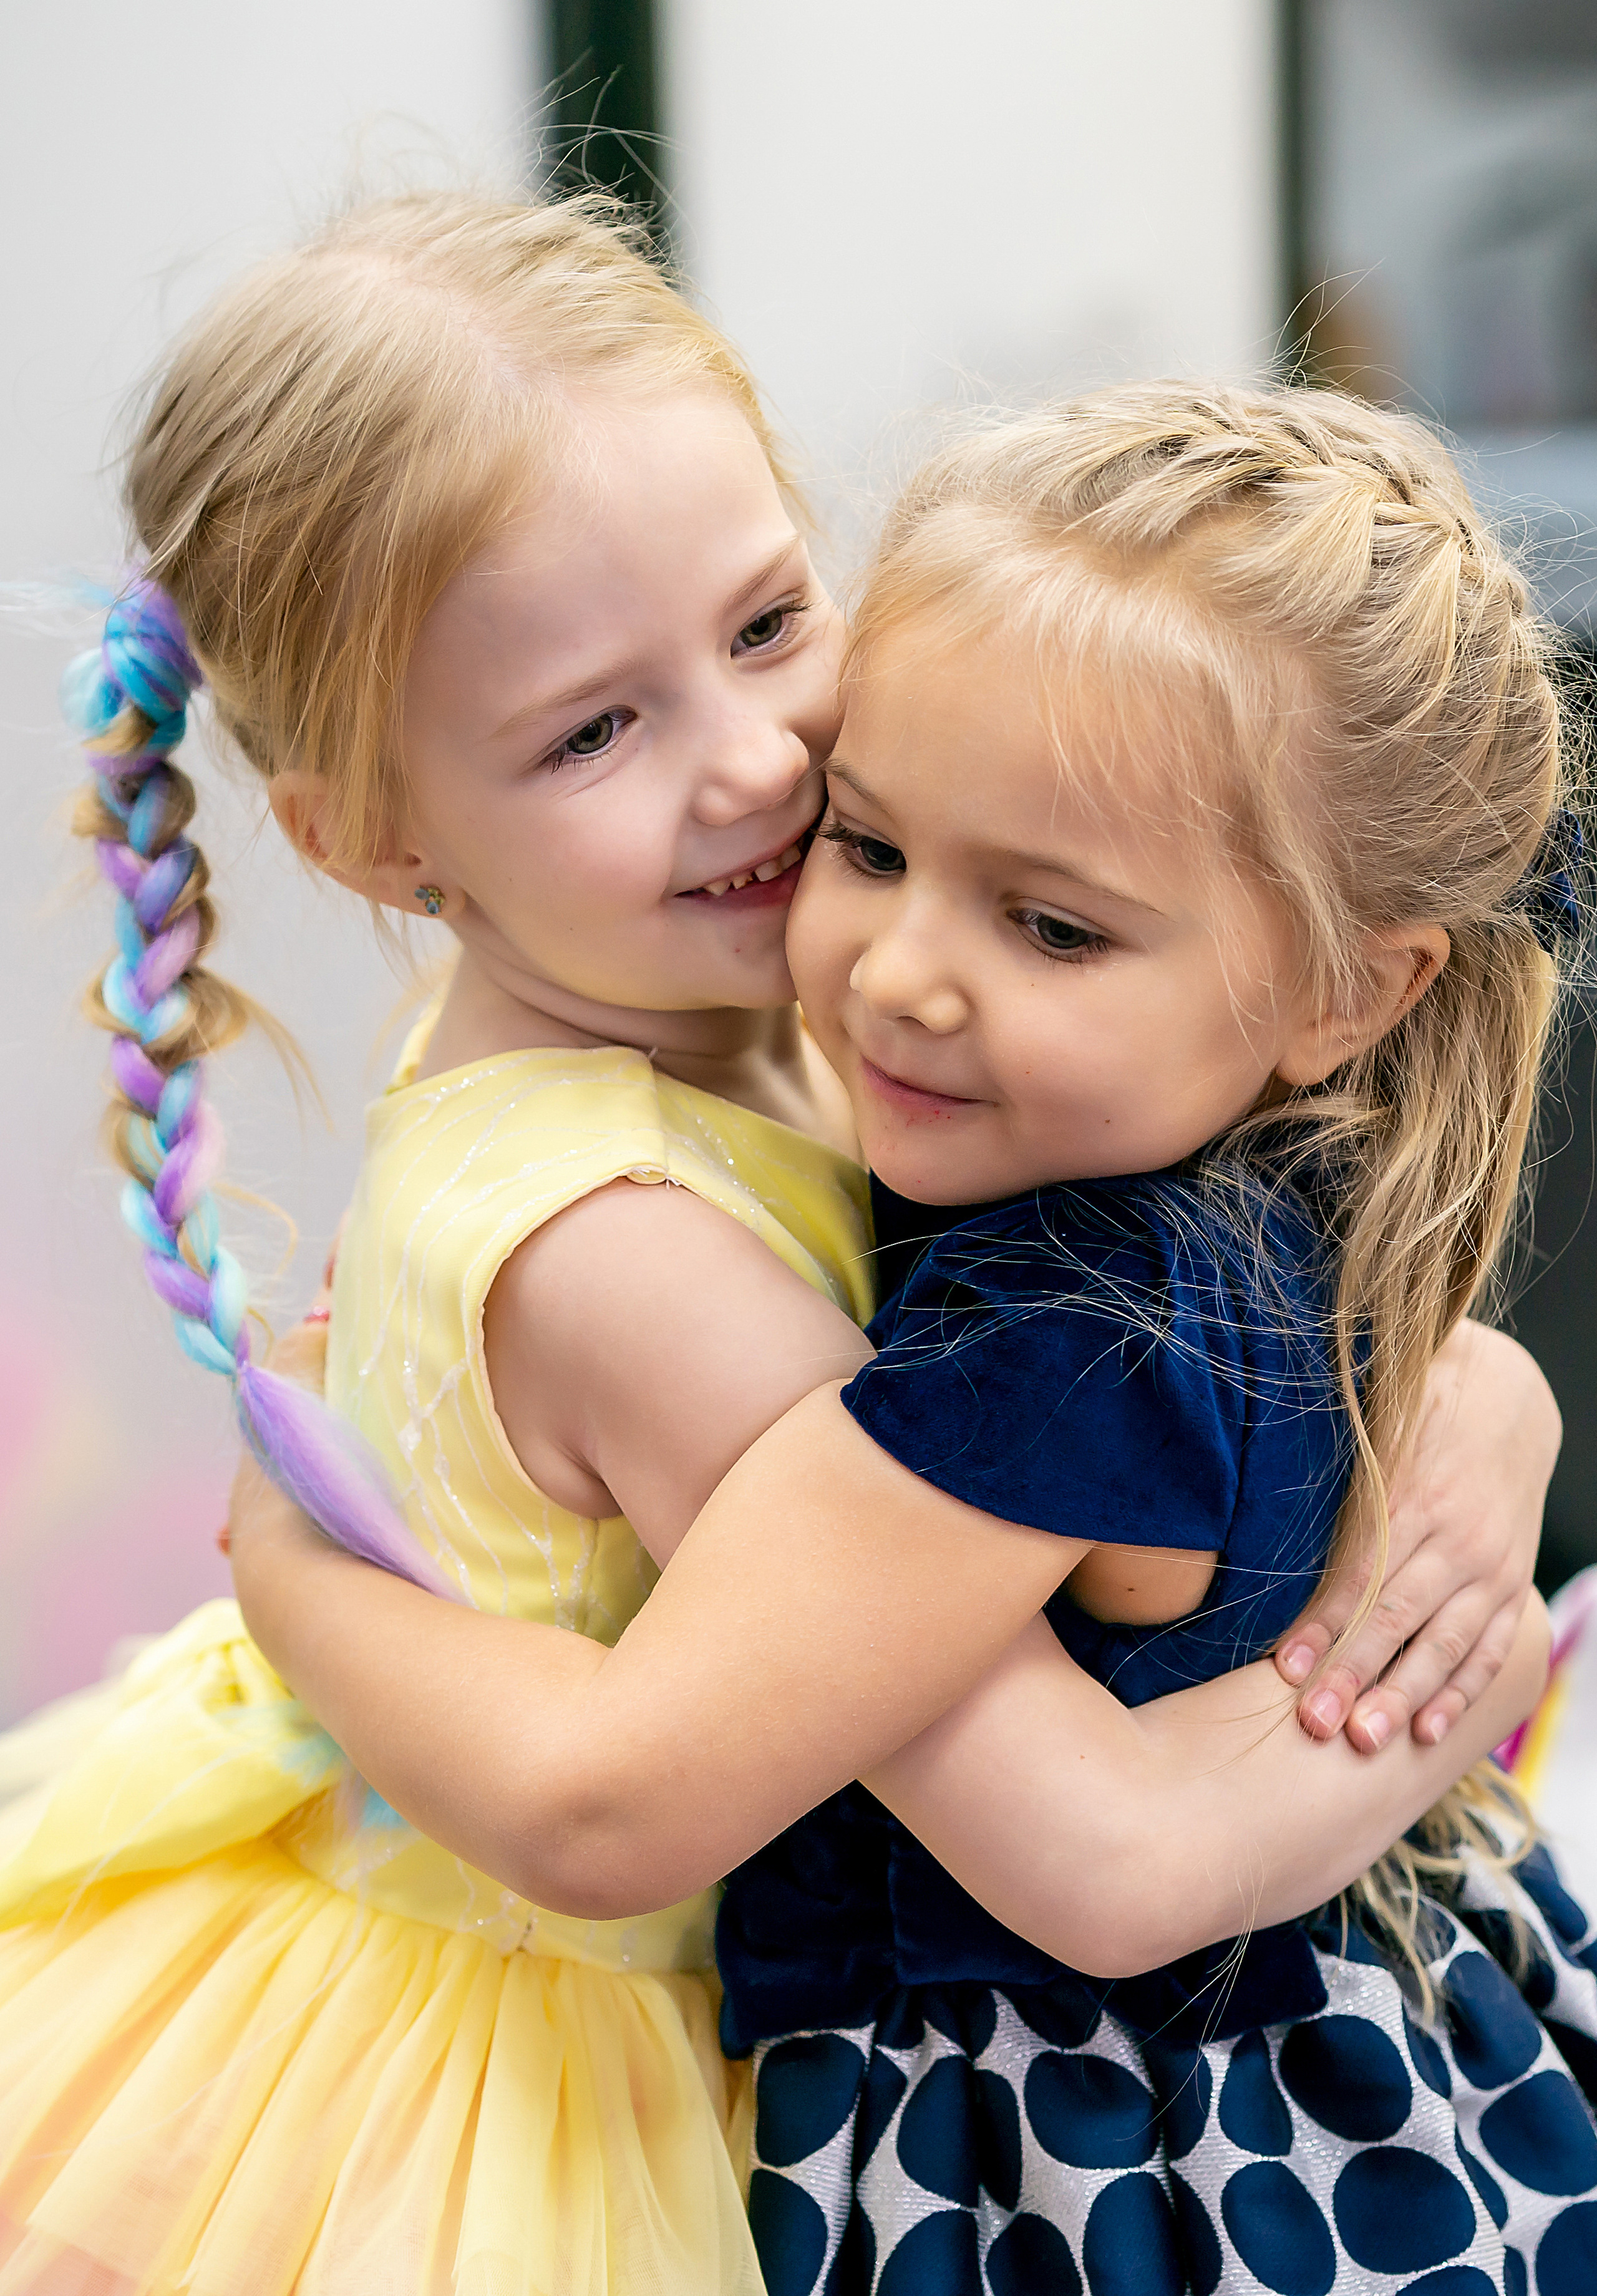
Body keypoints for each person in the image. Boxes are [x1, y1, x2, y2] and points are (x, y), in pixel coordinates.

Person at [0, 186, 1555, 2290]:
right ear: (376, 834)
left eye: (762, 626)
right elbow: (1021, 1830)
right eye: (594, 729)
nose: (755, 767)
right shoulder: (650, 1263)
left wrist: (1481, 1389)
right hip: (537, 2069)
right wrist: (290, 1567)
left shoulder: (745, 1004)